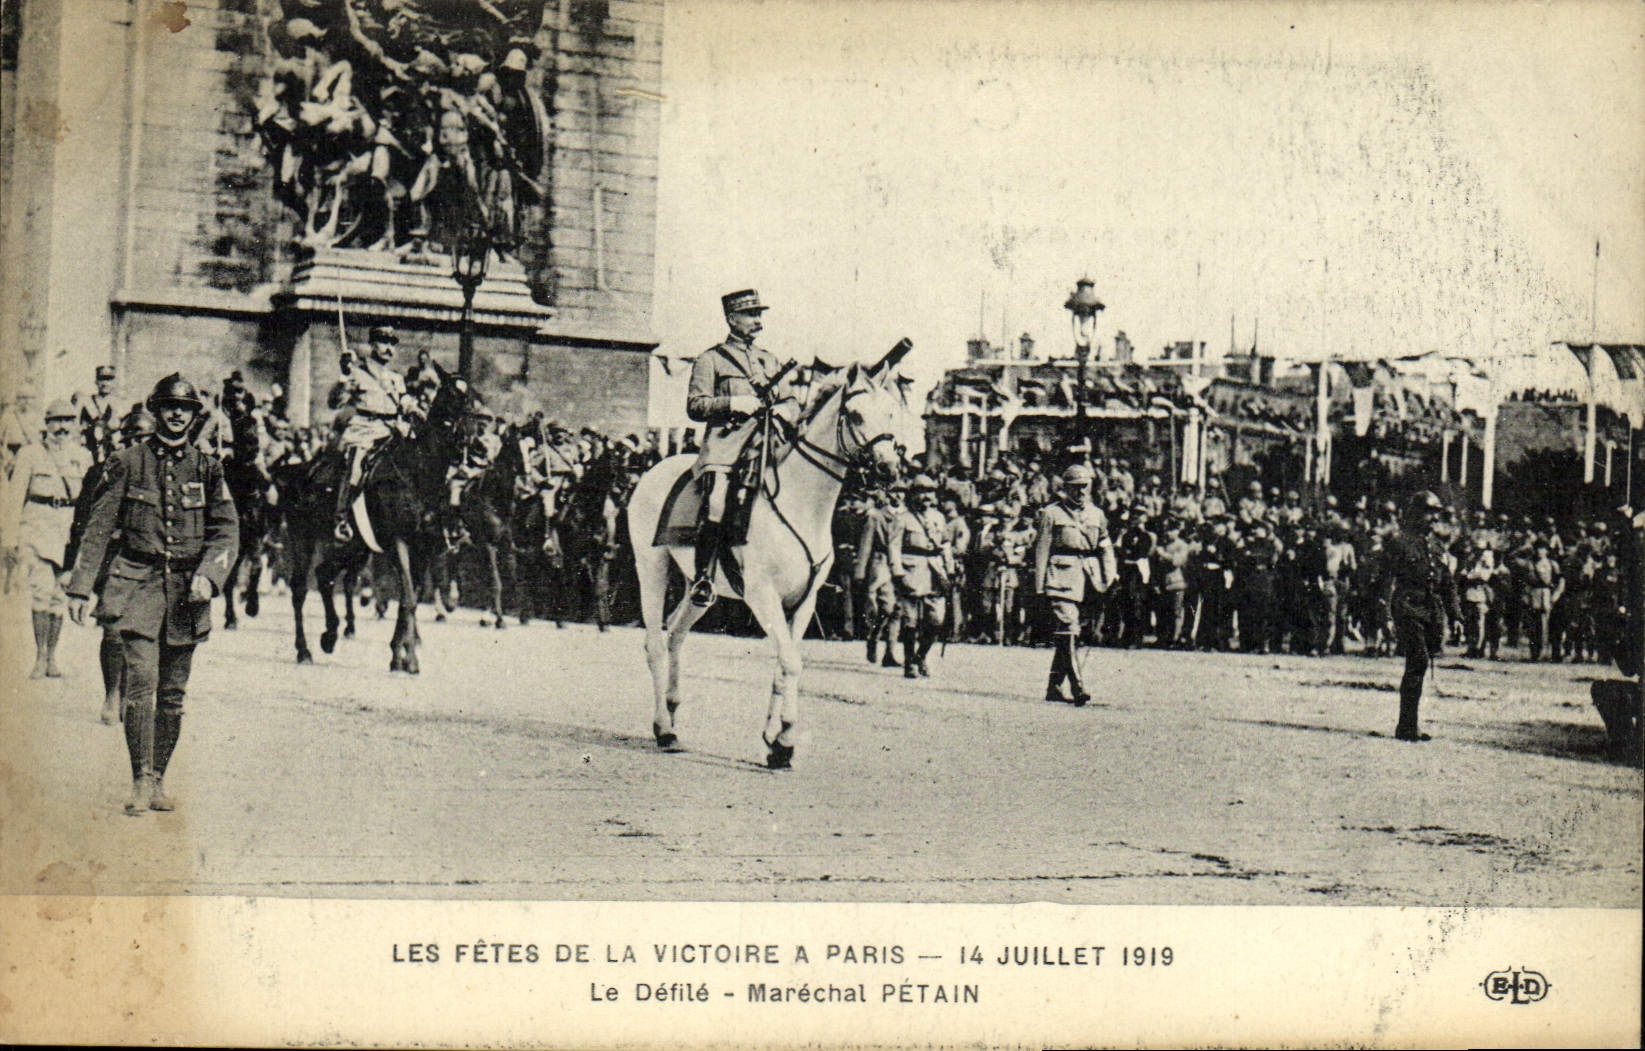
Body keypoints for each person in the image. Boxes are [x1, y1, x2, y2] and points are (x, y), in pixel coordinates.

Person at [67, 375, 239, 815]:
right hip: (136, 586)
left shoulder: (208, 468)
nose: (177, 414)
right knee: (141, 684)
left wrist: (209, 576)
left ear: (195, 416)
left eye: (186, 408)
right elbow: (98, 527)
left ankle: (159, 777)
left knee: (173, 694)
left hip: (186, 595)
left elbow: (226, 531)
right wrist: (81, 587)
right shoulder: (127, 461)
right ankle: (141, 779)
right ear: (156, 411)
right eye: (169, 407)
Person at [684, 289, 792, 607]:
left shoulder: (770, 360)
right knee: (717, 502)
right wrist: (733, 403)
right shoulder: (711, 359)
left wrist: (785, 409)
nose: (757, 320)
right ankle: (703, 577)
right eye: (750, 315)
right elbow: (695, 405)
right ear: (732, 319)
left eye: (759, 314)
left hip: (767, 442)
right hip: (726, 447)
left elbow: (790, 400)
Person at [64, 407, 156, 723]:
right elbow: (83, 524)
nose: (138, 444)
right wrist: (73, 569)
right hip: (112, 560)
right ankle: (112, 692)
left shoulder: (162, 473)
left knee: (141, 635)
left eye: (144, 438)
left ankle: (131, 694)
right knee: (114, 631)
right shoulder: (101, 471)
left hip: (147, 562)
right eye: (132, 438)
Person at [2, 399, 93, 678]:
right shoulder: (30, 454)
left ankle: (52, 657)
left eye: (68, 421)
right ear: (47, 423)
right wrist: (9, 538)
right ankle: (40, 656)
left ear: (75, 425)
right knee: (41, 590)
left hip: (68, 531)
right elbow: (15, 497)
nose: (62, 427)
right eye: (57, 421)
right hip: (37, 527)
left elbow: (88, 501)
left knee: (59, 594)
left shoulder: (83, 456)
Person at [1033, 463, 1117, 705]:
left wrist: (1109, 577)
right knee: (1069, 627)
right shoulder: (1051, 513)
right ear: (1065, 488)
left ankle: (1054, 687)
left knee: (1070, 632)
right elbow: (1041, 550)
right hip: (1060, 576)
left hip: (1089, 578)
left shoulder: (1097, 514)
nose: (1080, 491)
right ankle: (1078, 686)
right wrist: (1039, 587)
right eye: (1075, 487)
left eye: (1084, 486)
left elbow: (1105, 548)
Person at [1380, 490, 1460, 742]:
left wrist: (1456, 615)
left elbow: (1447, 583)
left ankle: (1409, 724)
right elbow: (1386, 581)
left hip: (1430, 612)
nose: (1434, 518)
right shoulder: (1399, 543)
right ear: (1415, 513)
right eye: (1429, 512)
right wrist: (1386, 616)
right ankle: (1406, 726)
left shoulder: (1437, 546)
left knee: (1418, 664)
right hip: (1407, 607)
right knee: (1419, 660)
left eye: (1436, 513)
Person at [333, 325, 416, 541]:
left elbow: (404, 401)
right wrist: (344, 376)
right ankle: (342, 519)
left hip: (392, 431)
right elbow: (335, 402)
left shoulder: (396, 378)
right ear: (372, 345)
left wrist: (415, 408)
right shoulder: (356, 372)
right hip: (365, 431)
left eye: (392, 344)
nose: (389, 348)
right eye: (383, 342)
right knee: (355, 469)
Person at [887, 474, 953, 678]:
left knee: (936, 620)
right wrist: (898, 572)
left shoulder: (938, 517)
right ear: (913, 495)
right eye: (921, 492)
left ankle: (920, 656)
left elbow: (945, 544)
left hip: (935, 571)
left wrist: (950, 568)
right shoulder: (902, 518)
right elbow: (894, 546)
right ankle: (910, 663)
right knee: (910, 621)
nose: (926, 496)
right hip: (912, 571)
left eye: (930, 492)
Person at [77, 364, 120, 463]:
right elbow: (78, 428)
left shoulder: (119, 404)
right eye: (101, 379)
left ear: (114, 382)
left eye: (108, 380)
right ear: (96, 381)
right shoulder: (87, 403)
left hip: (112, 453)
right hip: (90, 453)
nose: (105, 384)